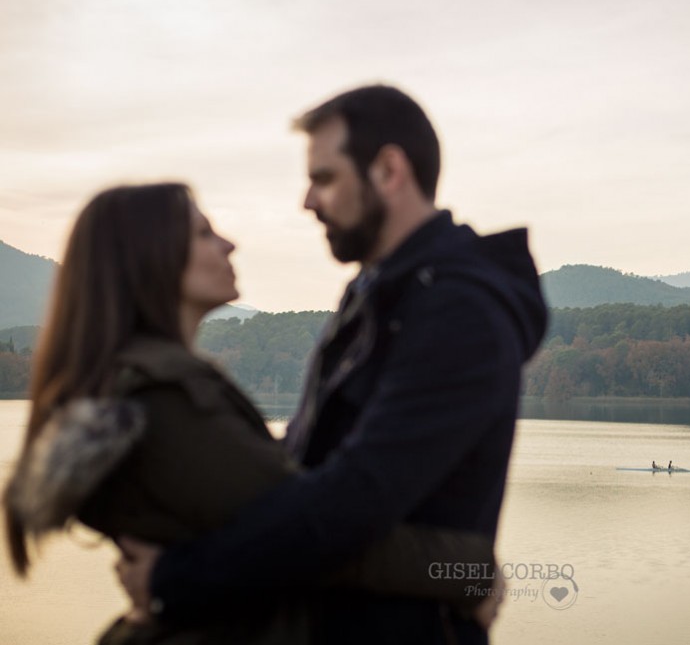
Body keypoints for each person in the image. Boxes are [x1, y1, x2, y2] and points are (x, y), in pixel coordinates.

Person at [115, 85, 548, 643]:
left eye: (324, 178)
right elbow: (301, 468)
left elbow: (351, 504)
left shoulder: (457, 312)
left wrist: (177, 578)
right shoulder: (375, 298)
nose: (307, 201)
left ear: (389, 170)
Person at [3, 183, 498, 644]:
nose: (229, 244)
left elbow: (268, 518)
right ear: (151, 260)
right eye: (203, 233)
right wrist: (469, 572)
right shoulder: (167, 402)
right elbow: (312, 537)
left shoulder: (146, 389)